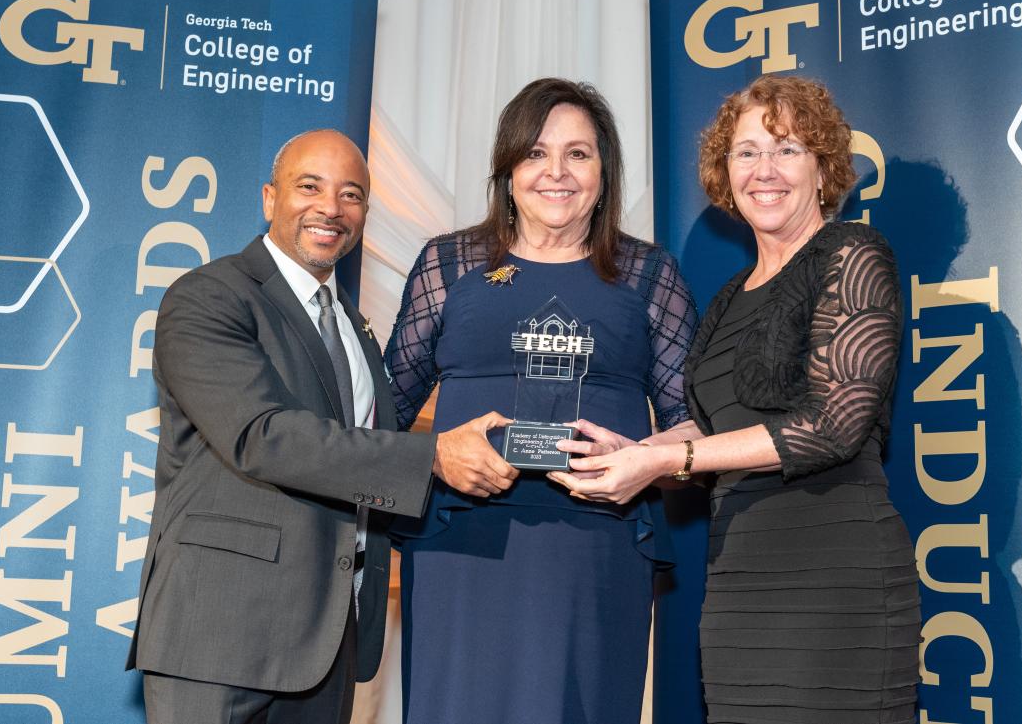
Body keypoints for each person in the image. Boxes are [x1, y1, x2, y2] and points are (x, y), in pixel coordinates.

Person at [551, 76, 921, 724]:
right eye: (746, 153)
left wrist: (669, 460)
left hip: (836, 581)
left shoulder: (853, 255)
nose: (764, 170)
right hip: (738, 584)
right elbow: (715, 424)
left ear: (824, 165)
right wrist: (636, 451)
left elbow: (832, 425)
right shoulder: (727, 298)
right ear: (725, 173)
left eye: (785, 149)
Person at [127, 129, 518, 724]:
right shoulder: (209, 297)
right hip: (220, 636)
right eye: (309, 186)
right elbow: (262, 436)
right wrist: (432, 457)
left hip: (327, 642)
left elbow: (357, 463)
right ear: (268, 198)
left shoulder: (355, 329)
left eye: (352, 194)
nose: (331, 208)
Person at [384, 77, 699, 724]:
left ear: (604, 171)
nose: (556, 172)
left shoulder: (647, 274)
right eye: (535, 153)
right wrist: (438, 455)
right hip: (460, 543)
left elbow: (692, 422)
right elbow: (382, 412)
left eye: (578, 154)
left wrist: (639, 459)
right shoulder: (449, 263)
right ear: (507, 168)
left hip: (597, 547)